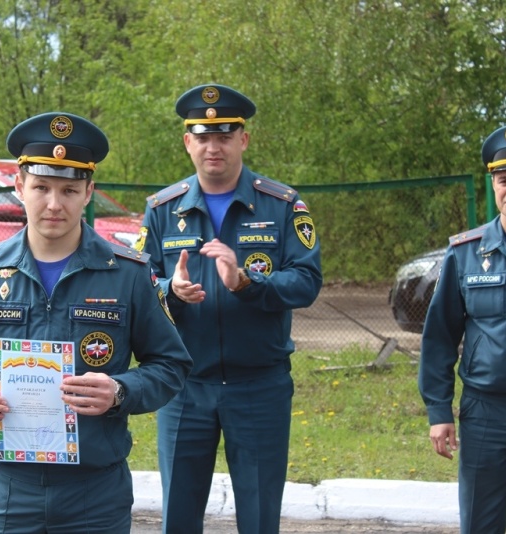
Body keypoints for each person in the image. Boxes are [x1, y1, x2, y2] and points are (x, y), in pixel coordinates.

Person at [0, 111, 192, 534]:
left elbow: (171, 365)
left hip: (95, 493)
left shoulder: (127, 273)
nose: (54, 204)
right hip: (9, 490)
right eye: (41, 187)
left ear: (89, 191)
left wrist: (120, 390)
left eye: (70, 190)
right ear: (19, 187)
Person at [136, 84, 323, 533]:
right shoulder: (161, 210)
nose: (213, 147)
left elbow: (306, 281)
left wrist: (247, 282)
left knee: (259, 519)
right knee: (178, 518)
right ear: (188, 143)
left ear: (244, 139)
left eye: (224, 135)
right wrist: (169, 290)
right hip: (184, 387)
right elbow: (138, 286)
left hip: (258, 385)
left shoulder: (283, 205)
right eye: (202, 136)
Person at [419, 123, 506, 533]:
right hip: (485, 413)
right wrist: (438, 410)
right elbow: (440, 336)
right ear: (494, 185)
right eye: (504, 180)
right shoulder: (465, 253)